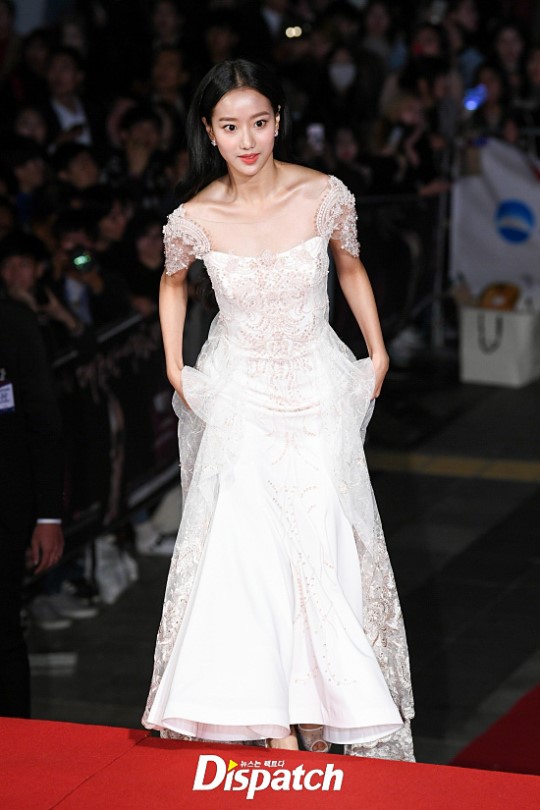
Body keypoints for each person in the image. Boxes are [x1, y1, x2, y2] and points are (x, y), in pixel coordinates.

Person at [143, 59, 414, 760]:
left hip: (316, 389)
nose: (247, 140)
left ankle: (322, 706)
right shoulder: (194, 217)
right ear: (210, 132)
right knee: (249, 550)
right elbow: (171, 283)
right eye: (231, 126)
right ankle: (273, 721)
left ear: (278, 122)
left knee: (320, 540)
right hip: (239, 393)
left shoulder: (323, 194)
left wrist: (377, 349)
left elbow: (350, 265)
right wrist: (173, 362)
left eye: (259, 123)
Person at [0, 297, 64, 717]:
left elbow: (44, 420)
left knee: (4, 634)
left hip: (6, 505)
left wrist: (48, 515)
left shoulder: (13, 321)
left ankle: (14, 741)